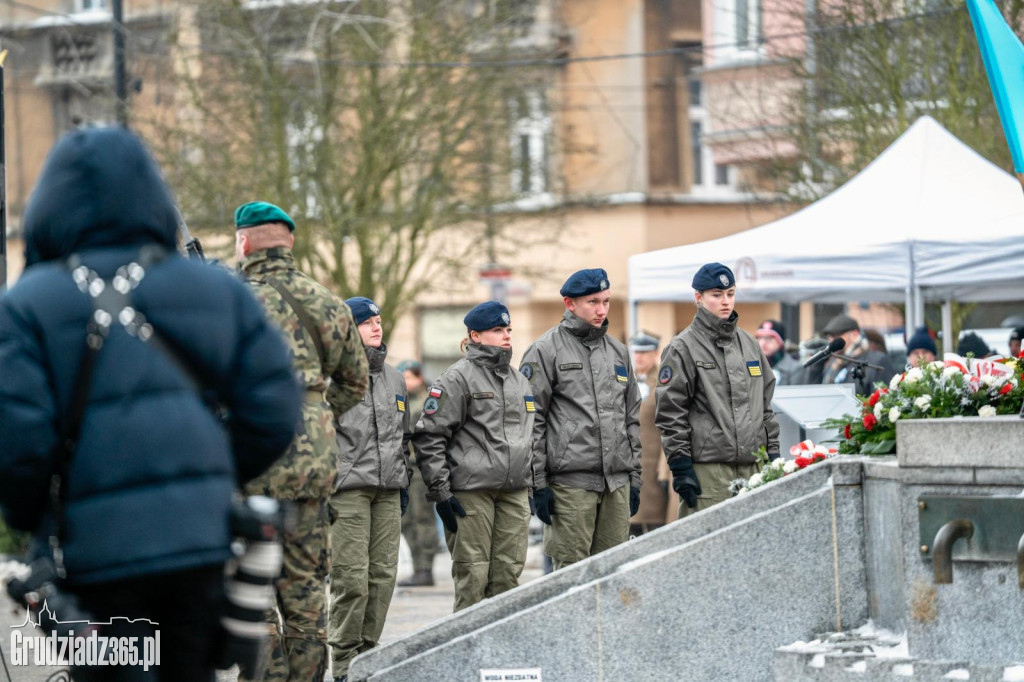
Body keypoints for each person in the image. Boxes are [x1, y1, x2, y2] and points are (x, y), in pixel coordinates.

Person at [0, 127, 301, 681]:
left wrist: (38, 517)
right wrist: (208, 477)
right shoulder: (217, 290)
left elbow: (16, 444)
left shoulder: (26, 306)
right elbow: (277, 411)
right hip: (201, 545)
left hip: (95, 556)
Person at [236, 201, 370, 682]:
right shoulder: (328, 303)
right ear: (289, 242)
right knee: (308, 590)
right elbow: (357, 382)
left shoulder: (229, 300)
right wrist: (315, 414)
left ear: (244, 243)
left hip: (249, 459)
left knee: (253, 593)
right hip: (312, 461)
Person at [412, 302, 535, 611]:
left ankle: (501, 654)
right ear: (475, 336)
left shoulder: (519, 381)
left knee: (507, 578)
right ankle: (466, 656)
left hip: (513, 491)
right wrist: (441, 491)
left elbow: (530, 436)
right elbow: (430, 436)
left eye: (508, 330)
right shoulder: (456, 379)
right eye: (497, 330)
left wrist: (532, 484)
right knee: (473, 578)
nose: (506, 336)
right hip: (471, 492)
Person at [520, 269, 642, 570]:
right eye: (592, 302)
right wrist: (538, 485)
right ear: (570, 303)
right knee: (571, 576)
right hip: (570, 485)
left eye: (606, 301)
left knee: (614, 573)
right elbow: (531, 423)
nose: (601, 310)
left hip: (616, 483)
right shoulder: (544, 351)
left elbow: (631, 419)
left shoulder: (618, 352)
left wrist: (635, 479)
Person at [655, 262, 781, 518]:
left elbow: (764, 406)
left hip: (754, 466)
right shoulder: (683, 347)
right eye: (716, 295)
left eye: (730, 294)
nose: (725, 301)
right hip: (709, 469)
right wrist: (680, 466)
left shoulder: (749, 344)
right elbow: (670, 413)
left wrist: (774, 454)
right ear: (699, 298)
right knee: (707, 550)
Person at [328, 297, 411, 682]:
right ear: (349, 327)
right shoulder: (333, 374)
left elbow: (403, 434)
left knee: (382, 579)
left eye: (378, 320)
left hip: (388, 489)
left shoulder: (394, 378)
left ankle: (367, 660)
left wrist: (404, 477)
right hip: (348, 490)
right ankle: (344, 666)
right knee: (351, 580)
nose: (376, 326)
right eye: (367, 322)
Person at [396, 359, 442, 587]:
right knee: (407, 521)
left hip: (420, 470)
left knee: (421, 519)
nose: (405, 382)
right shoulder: (405, 401)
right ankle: (418, 567)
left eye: (408, 377)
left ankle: (425, 568)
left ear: (419, 378)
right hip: (404, 470)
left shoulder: (427, 403)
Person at [628, 331, 668, 536]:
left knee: (654, 526)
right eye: (636, 352)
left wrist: (664, 468)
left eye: (645, 352)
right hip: (628, 468)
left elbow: (670, 426)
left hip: (652, 468)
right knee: (627, 526)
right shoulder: (626, 381)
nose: (639, 357)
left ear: (655, 354)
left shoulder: (663, 383)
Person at [820, 313, 896, 396]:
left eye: (836, 335)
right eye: (830, 336)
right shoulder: (833, 363)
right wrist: (814, 368)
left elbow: (884, 398)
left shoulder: (877, 360)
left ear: (854, 334)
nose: (832, 340)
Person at [754, 319, 803, 385]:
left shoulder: (795, 369)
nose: (763, 343)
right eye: (759, 338)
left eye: (769, 338)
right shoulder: (752, 365)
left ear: (781, 342)